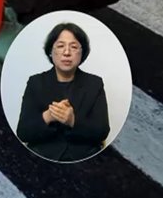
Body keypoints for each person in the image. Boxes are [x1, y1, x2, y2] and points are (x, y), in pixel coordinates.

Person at [16, 22, 110, 162]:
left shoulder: (94, 83)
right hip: (43, 156)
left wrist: (73, 121)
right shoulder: (36, 82)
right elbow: (23, 132)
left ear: (82, 52)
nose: (66, 52)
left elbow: (102, 131)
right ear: (50, 51)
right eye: (60, 46)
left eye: (73, 47)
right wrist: (48, 116)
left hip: (84, 157)